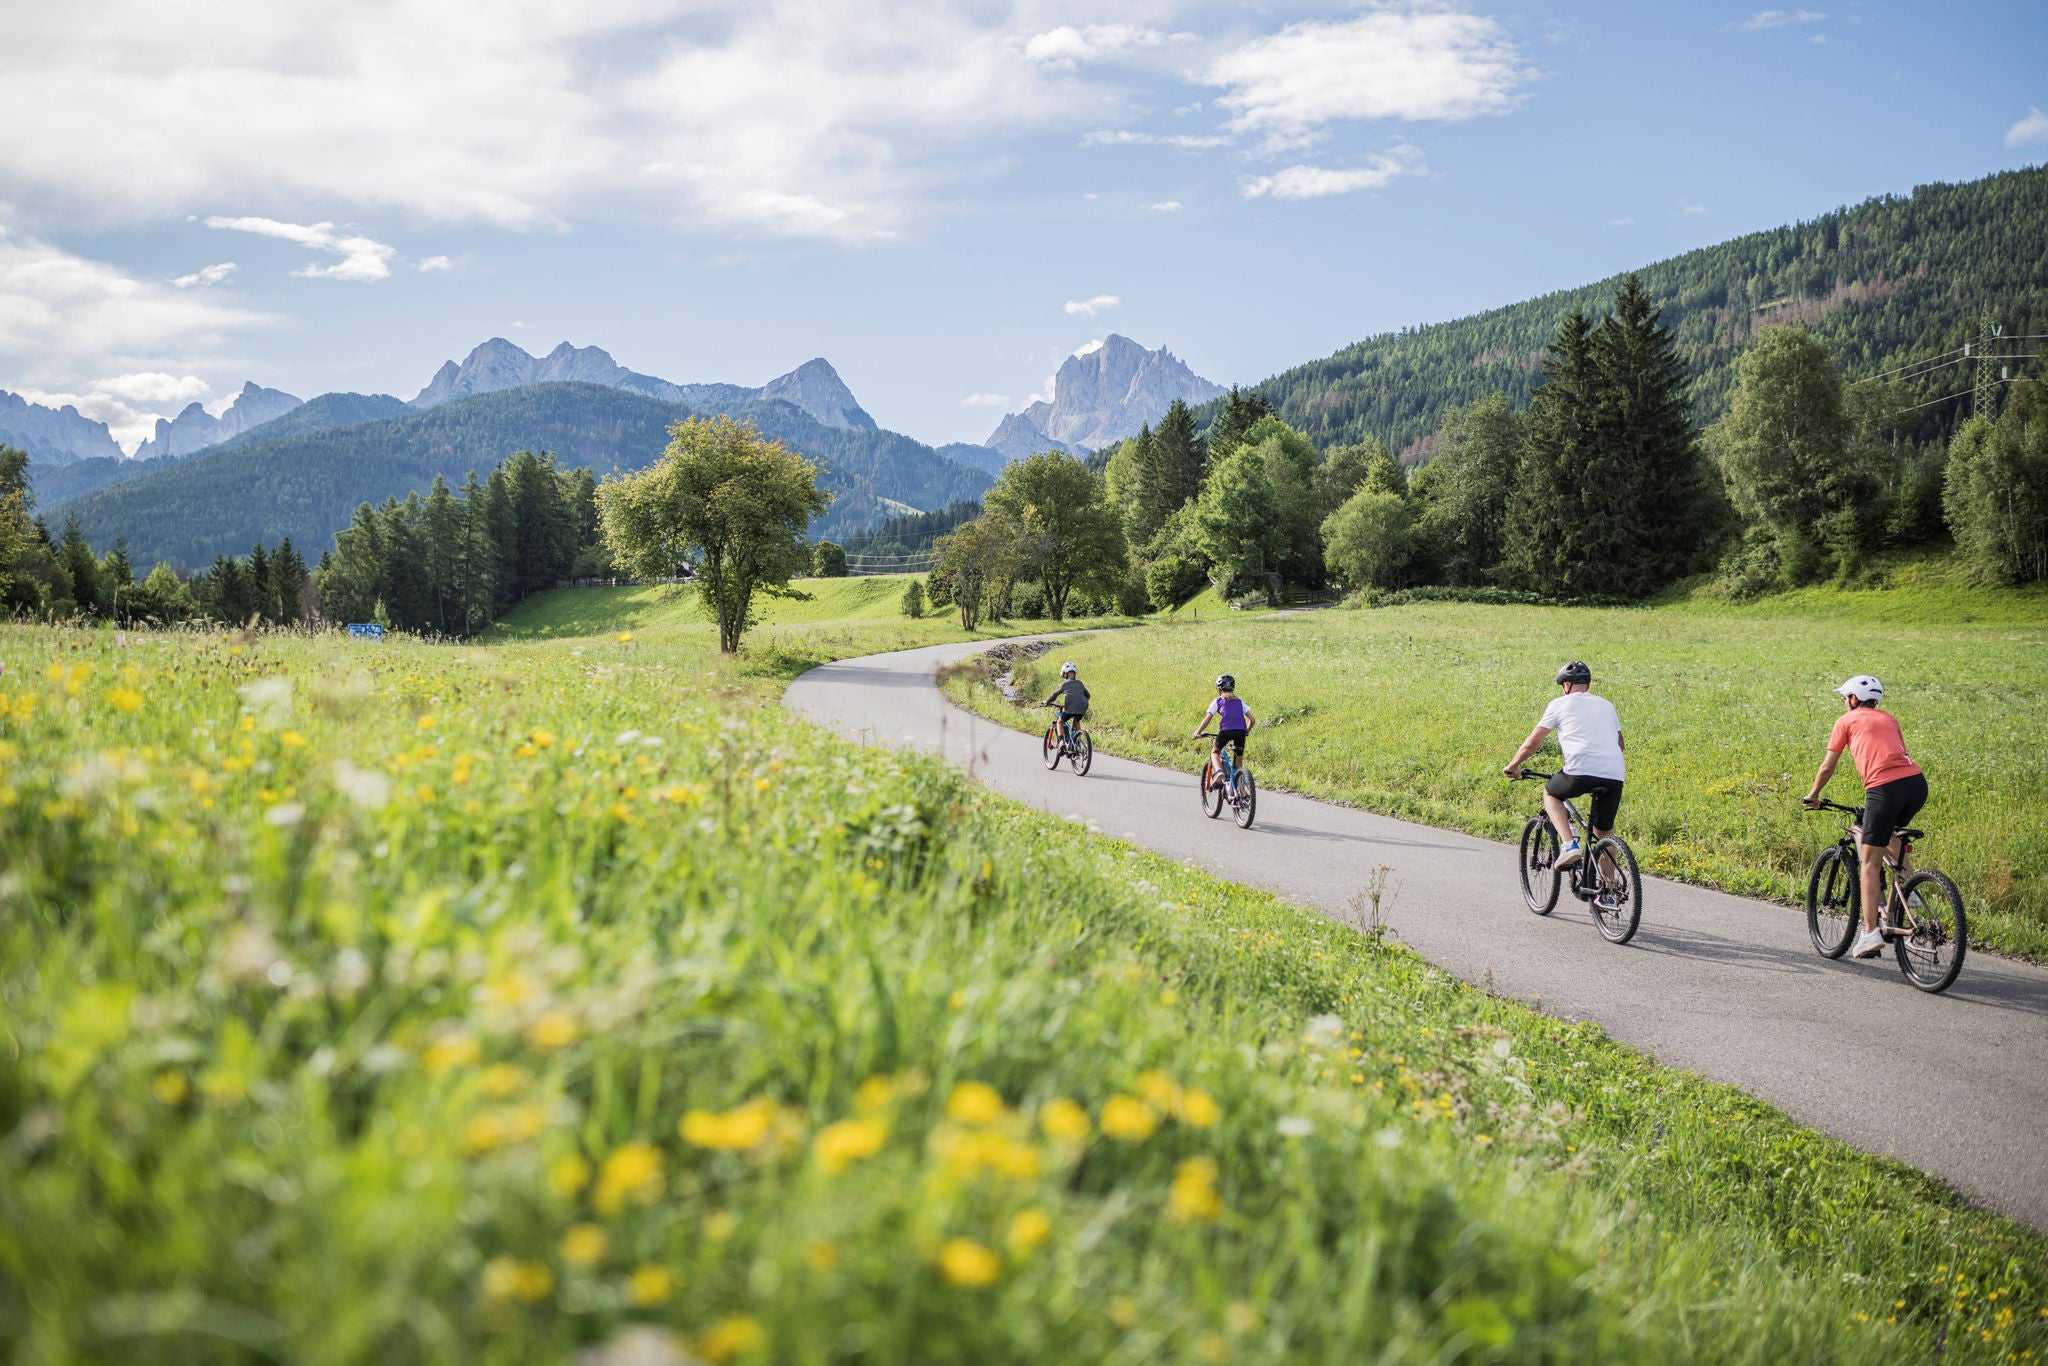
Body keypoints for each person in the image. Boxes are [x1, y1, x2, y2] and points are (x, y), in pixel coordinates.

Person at [1802, 675, 1927, 959]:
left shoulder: (1845, 721)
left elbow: (1828, 765)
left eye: (1846, 698)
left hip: (1884, 788)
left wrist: (1813, 794)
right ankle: (1909, 891)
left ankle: (1870, 933)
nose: (1845, 703)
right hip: (1916, 785)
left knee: (1869, 864)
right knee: (1887, 835)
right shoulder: (1890, 719)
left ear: (1854, 699)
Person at [1503, 661, 1625, 872]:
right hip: (1614, 774)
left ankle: (1569, 845)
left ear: (1566, 685)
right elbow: (1620, 745)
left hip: (1578, 770)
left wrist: (1513, 766)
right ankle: (1608, 892)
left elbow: (1533, 743)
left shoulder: (1559, 704)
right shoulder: (1606, 705)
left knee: (1551, 794)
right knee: (1604, 832)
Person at [1192, 674, 1257, 777]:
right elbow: (1252, 720)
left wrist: (1198, 732)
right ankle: (1242, 788)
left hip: (1226, 731)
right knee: (1238, 764)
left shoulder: (1218, 701)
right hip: (1240, 732)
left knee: (1215, 752)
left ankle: (1218, 772)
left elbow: (1207, 719)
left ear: (1219, 688)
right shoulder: (1239, 701)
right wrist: (1246, 732)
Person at [1042, 662, 1089, 750]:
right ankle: (1078, 742)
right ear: (1074, 674)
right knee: (1076, 721)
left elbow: (1054, 695)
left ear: (1065, 674)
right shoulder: (1080, 683)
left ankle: (1061, 742)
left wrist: (1047, 702)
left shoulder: (1064, 684)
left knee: (1060, 722)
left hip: (1071, 708)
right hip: (1083, 707)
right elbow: (1088, 695)